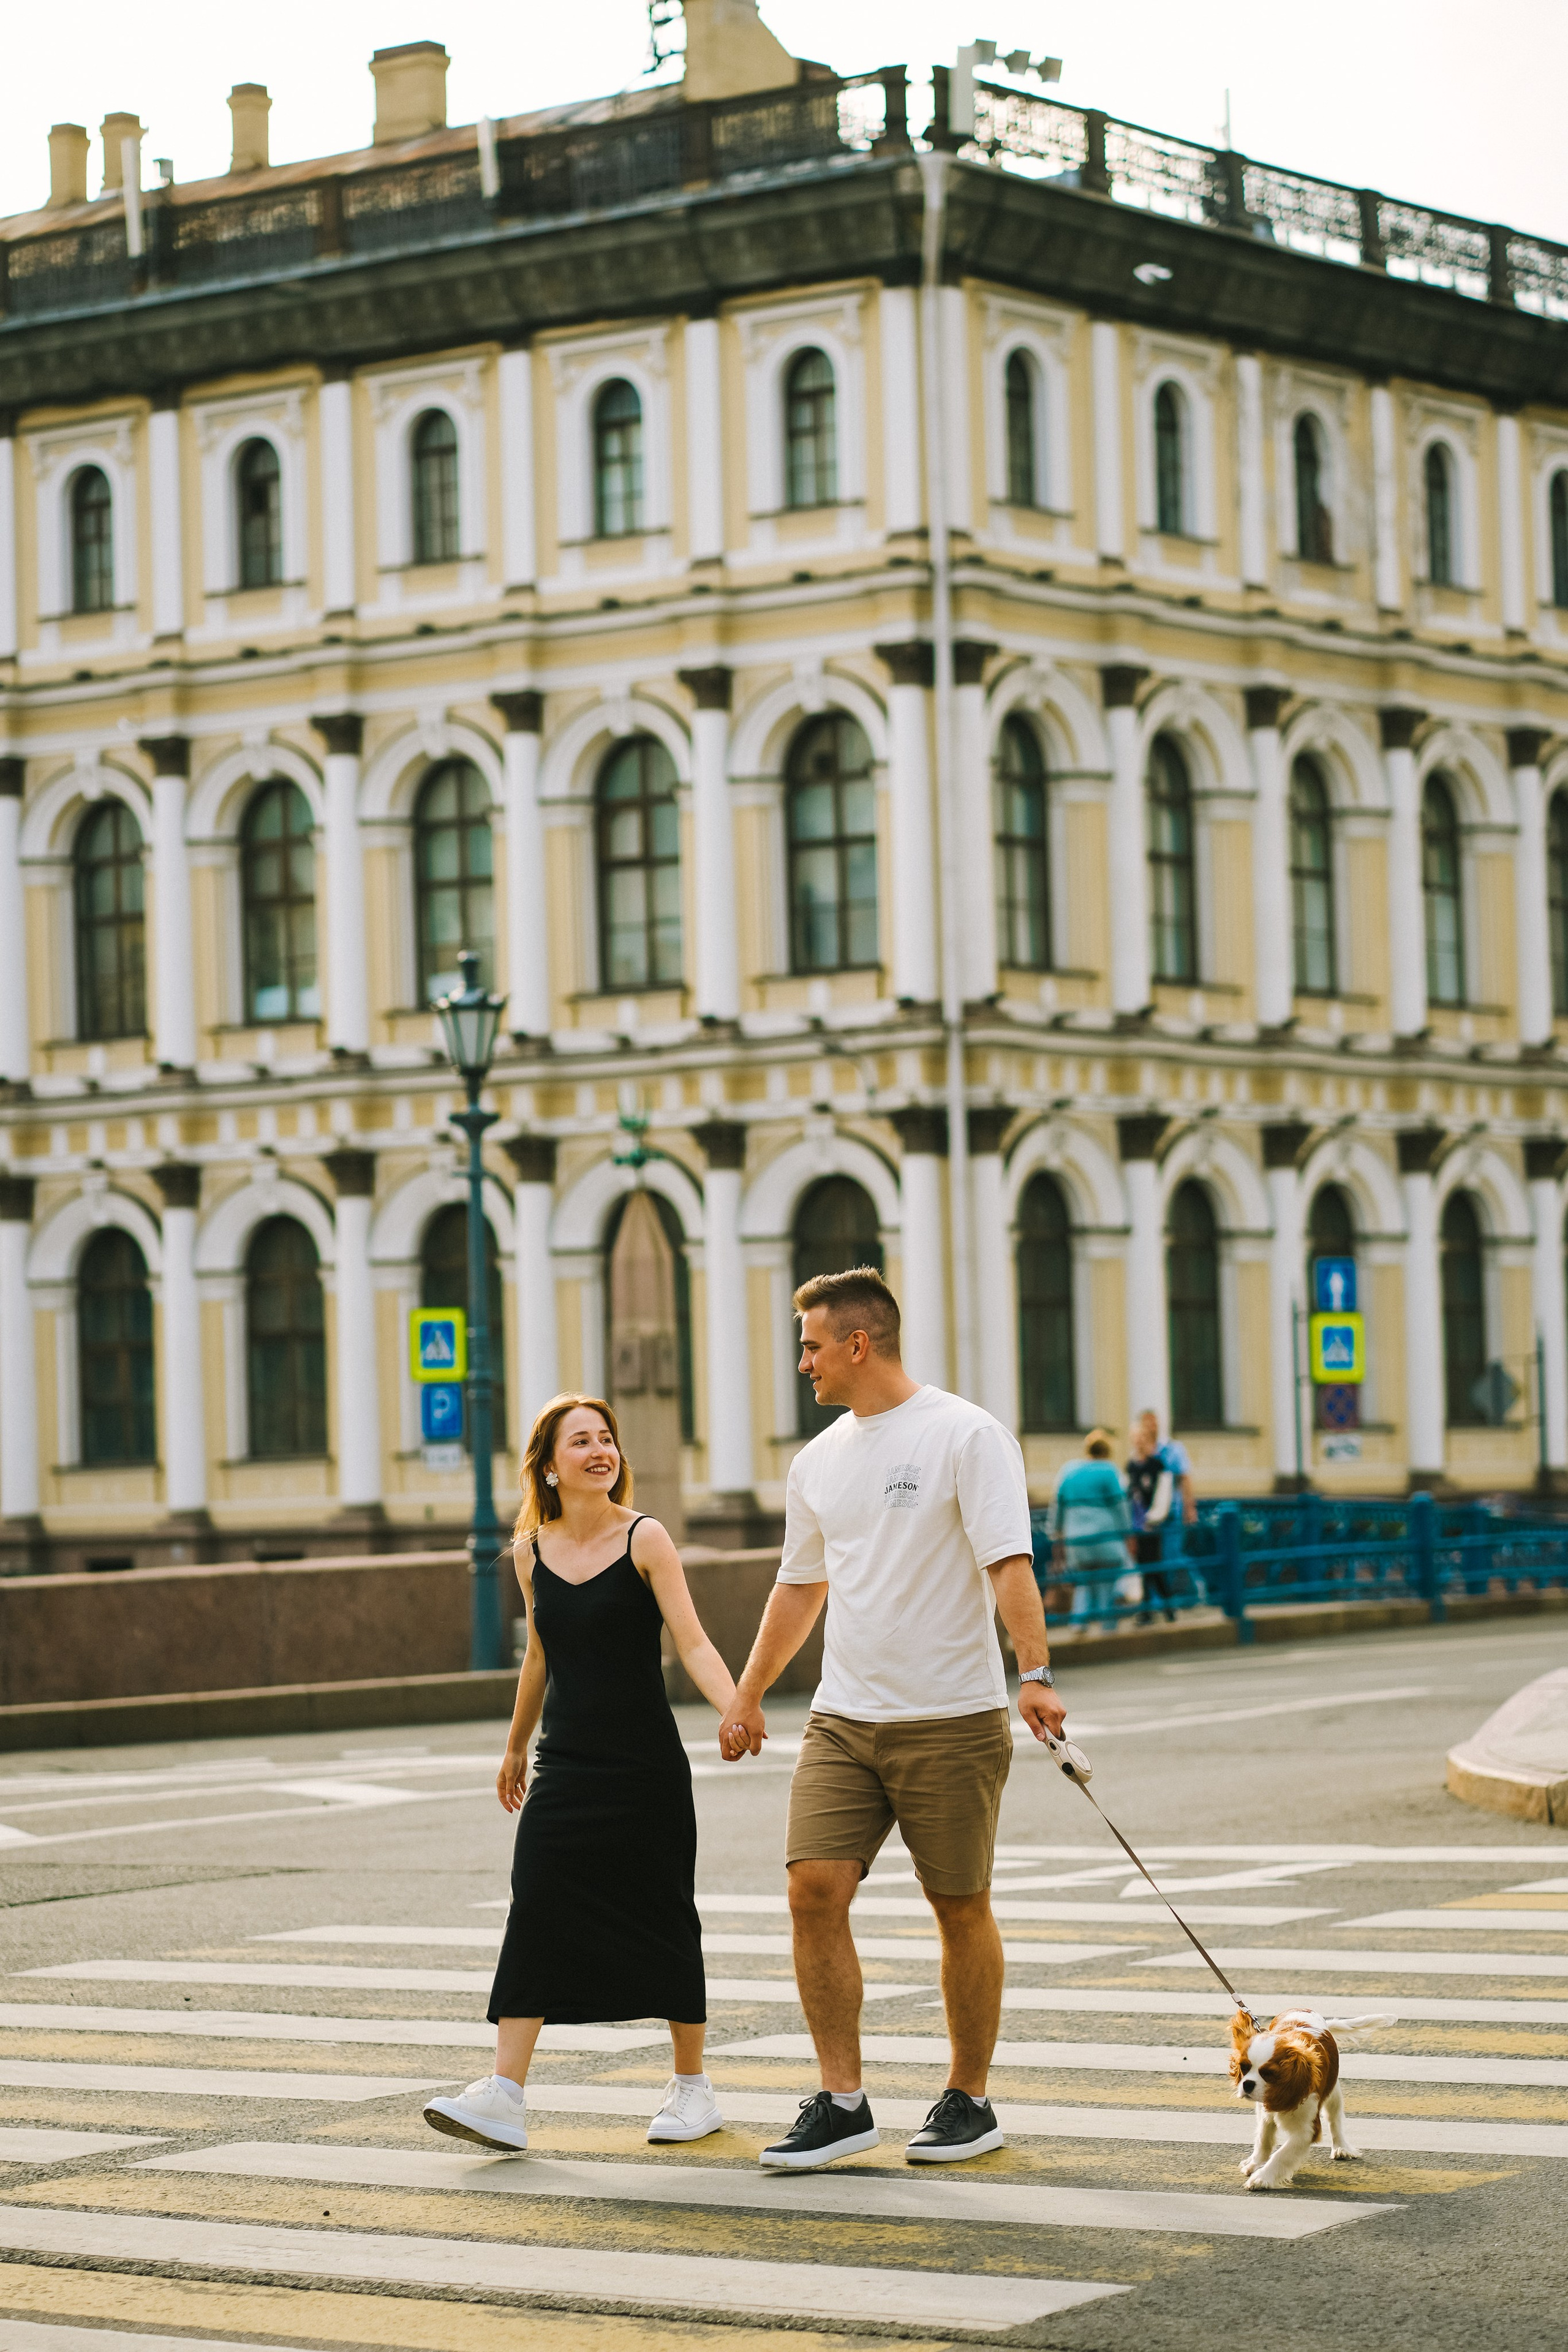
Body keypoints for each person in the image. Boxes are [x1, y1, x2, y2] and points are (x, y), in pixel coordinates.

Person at [720, 1265, 1068, 2171]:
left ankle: (970, 2099)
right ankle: (842, 2101)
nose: (803, 1363)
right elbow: (800, 1587)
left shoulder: (966, 1435)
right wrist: (749, 1693)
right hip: (845, 1716)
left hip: (951, 1715)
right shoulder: (818, 1461)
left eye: (810, 1345)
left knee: (959, 1906)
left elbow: (1008, 1563)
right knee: (812, 1891)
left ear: (857, 1344)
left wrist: (1034, 1673)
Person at [423, 1392, 738, 2155]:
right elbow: (539, 1657)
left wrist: (736, 1707)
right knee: (534, 1906)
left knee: (664, 1913)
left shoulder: (646, 1538)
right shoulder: (530, 1551)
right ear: (551, 1465)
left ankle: (693, 2090)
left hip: (644, 1768)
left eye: (607, 1440)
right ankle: (503, 2095)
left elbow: (690, 1643)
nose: (600, 1451)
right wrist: (512, 1748)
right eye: (582, 1442)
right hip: (564, 1766)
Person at [1049, 1430, 1135, 1623]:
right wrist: (1128, 1534)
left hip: (1076, 1541)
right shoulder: (1109, 1470)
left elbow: (1057, 1506)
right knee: (1106, 1587)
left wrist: (1056, 1533)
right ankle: (1107, 1628)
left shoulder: (1068, 1471)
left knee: (1083, 1585)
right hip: (1106, 1538)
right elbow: (1120, 1507)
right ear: (1107, 1452)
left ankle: (1078, 1625)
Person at [1126, 1407, 1196, 1624]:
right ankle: (1158, 1607)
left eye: (1154, 1422)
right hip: (1143, 1523)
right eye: (1147, 1423)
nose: (1151, 1427)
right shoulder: (1134, 1462)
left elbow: (1183, 1479)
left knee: (1172, 1557)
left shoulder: (1170, 1452)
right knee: (1152, 1563)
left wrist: (1189, 1508)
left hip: (1169, 1514)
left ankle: (1193, 1594)